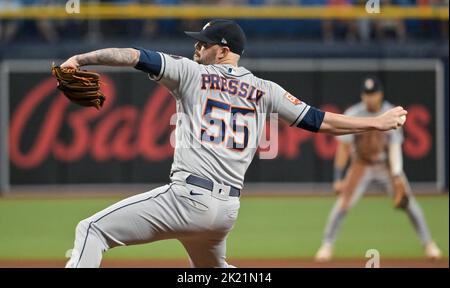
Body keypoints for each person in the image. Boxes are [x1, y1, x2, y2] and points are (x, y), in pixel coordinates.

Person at [61, 19, 408, 268]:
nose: (196, 48)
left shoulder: (190, 73)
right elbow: (320, 120)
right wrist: (375, 123)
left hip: (187, 199)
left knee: (91, 230)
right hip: (225, 213)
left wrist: (80, 59)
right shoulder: (265, 90)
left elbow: (133, 55)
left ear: (223, 50)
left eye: (203, 43)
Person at [314, 76, 442, 262]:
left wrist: (397, 175)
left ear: (380, 94)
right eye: (366, 94)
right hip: (361, 165)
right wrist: (338, 177)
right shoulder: (354, 113)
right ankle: (327, 245)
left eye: (373, 94)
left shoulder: (391, 113)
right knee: (342, 204)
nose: (369, 98)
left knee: (410, 204)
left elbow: (395, 148)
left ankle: (428, 244)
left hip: (386, 166)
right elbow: (344, 148)